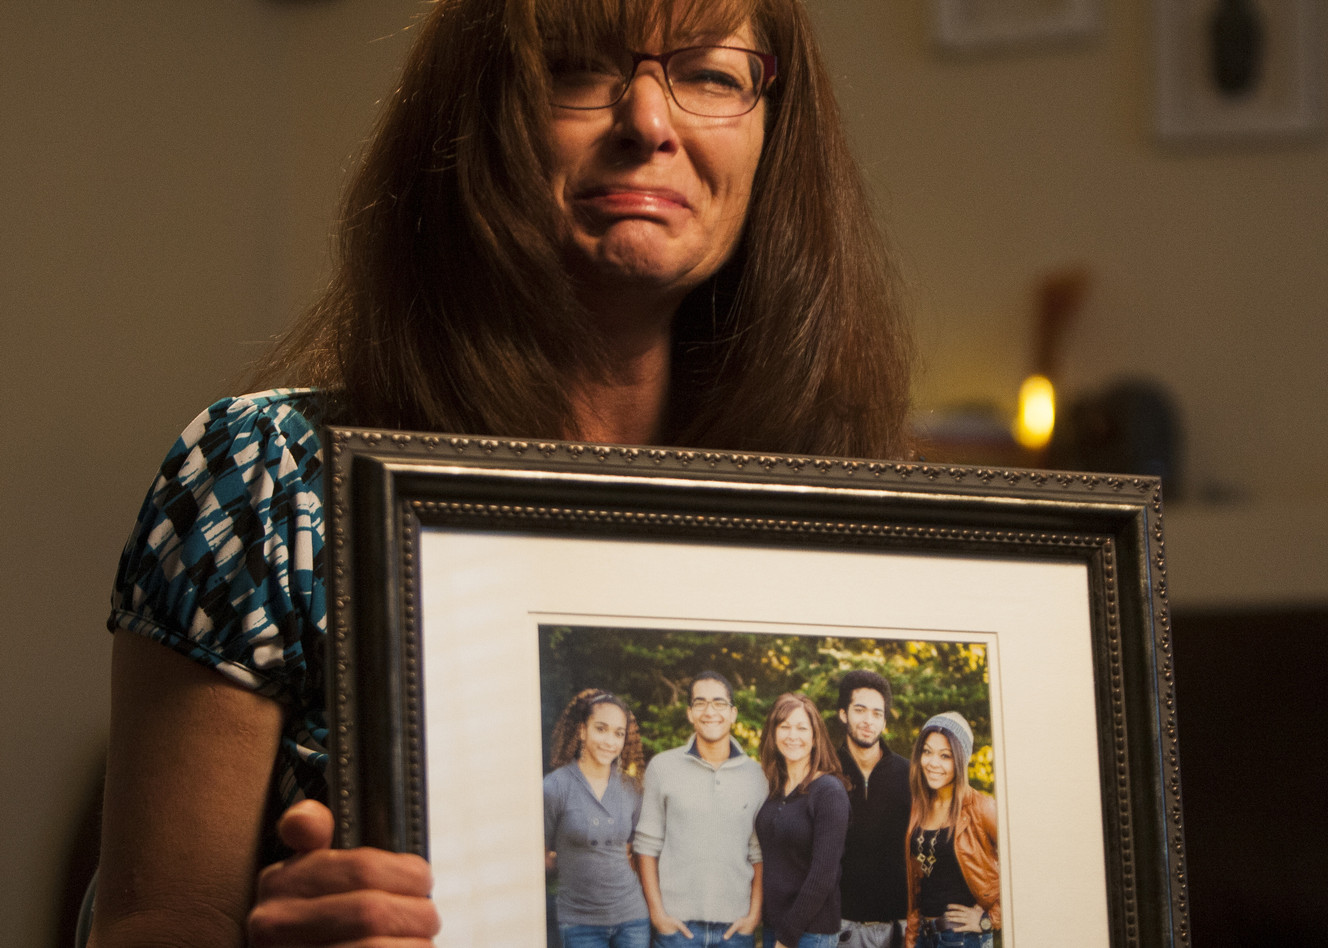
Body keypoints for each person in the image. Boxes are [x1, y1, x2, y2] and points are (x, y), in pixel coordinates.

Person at [89, 0, 914, 943]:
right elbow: (151, 922)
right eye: (572, 69)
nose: (649, 122)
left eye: (712, 76)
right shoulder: (267, 478)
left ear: (774, 137)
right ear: (477, 124)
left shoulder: (855, 508)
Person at [632, 672, 768, 947]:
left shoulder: (757, 776)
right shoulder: (662, 768)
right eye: (700, 703)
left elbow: (758, 853)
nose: (709, 712)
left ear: (733, 714)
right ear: (689, 713)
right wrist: (658, 916)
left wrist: (753, 916)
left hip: (736, 930)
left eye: (719, 703)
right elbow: (646, 846)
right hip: (677, 930)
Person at [544, 689, 650, 947]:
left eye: (618, 733)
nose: (610, 741)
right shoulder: (555, 787)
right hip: (579, 923)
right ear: (582, 730)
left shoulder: (631, 789)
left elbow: (630, 852)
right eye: (601, 729)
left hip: (632, 919)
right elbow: (540, 855)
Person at [753, 693, 850, 948]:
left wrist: (787, 937)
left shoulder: (829, 791)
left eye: (801, 728)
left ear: (815, 736)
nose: (792, 735)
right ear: (773, 734)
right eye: (784, 727)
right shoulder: (773, 789)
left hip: (810, 933)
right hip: (776, 927)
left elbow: (823, 875)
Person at [903, 713, 999, 948]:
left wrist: (989, 920)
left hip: (963, 939)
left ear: (961, 759)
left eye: (945, 756)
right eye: (927, 752)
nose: (933, 763)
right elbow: (917, 886)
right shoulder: (919, 807)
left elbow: (1025, 866)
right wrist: (911, 939)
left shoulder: (981, 808)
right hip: (925, 936)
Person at [835, 670, 911, 948]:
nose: (868, 721)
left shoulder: (909, 774)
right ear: (843, 714)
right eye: (860, 710)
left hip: (901, 929)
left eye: (877, 713)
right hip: (844, 929)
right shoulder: (826, 772)